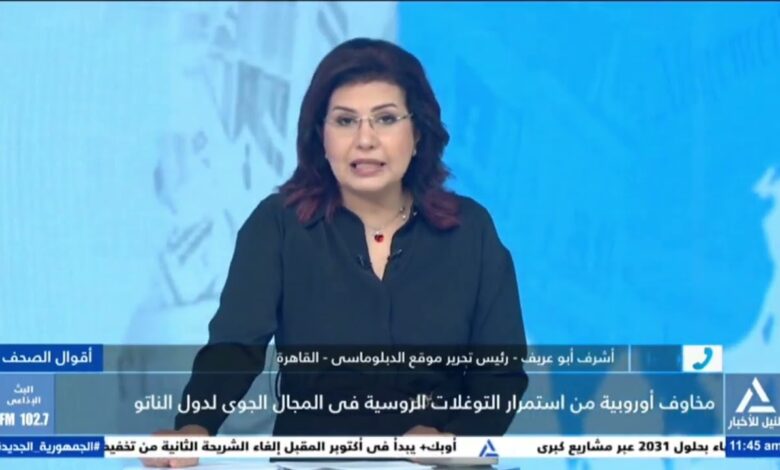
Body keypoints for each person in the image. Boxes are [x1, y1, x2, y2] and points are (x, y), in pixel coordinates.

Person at [142, 37, 528, 468]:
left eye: (385, 119)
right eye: (345, 121)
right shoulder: (279, 225)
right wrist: (196, 427)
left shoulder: (469, 229)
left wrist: (457, 444)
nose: (365, 140)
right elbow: (235, 347)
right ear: (320, 137)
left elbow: (500, 372)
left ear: (418, 133)